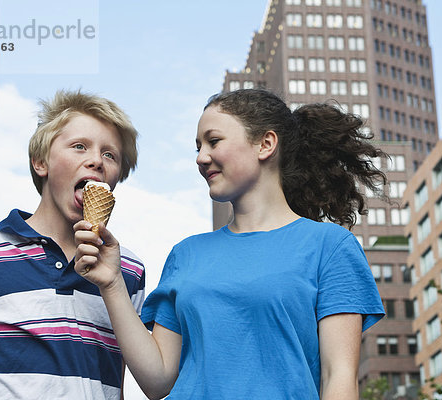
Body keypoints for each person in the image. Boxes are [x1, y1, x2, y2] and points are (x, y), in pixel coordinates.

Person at [74, 88, 386, 399]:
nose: (201, 157)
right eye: (198, 146)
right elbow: (158, 382)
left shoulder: (330, 247)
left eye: (214, 141)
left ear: (265, 144)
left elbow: (339, 378)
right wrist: (112, 283)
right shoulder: (186, 254)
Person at [0, 89, 145, 399]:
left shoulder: (128, 271)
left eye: (110, 155)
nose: (96, 160)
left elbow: (122, 378)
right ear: (41, 162)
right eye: (80, 146)